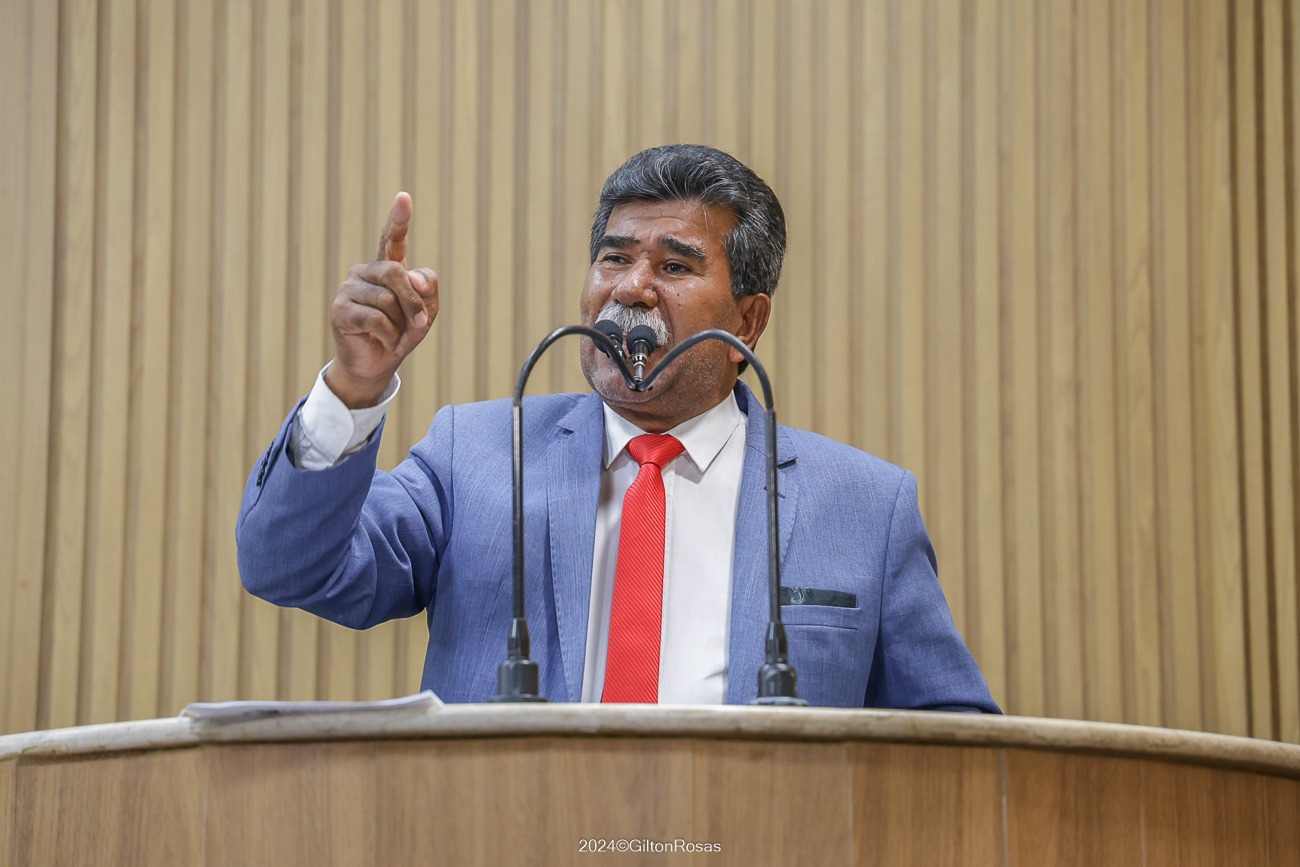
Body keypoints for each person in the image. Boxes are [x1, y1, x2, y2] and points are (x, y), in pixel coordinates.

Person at [237, 144, 999, 711]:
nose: (630, 287)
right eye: (614, 257)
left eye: (674, 266)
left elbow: (955, 743)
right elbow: (289, 567)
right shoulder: (478, 456)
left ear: (749, 320)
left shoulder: (866, 509)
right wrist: (355, 386)